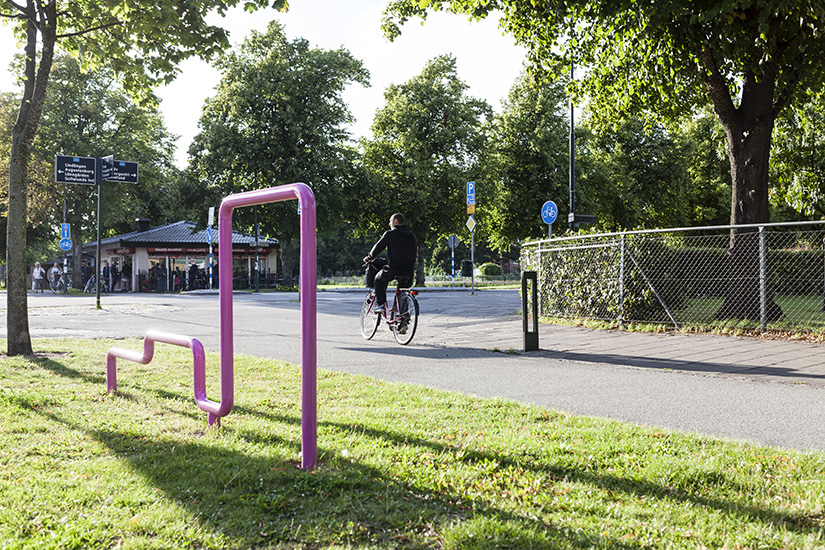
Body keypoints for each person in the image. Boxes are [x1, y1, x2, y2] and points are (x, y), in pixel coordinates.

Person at [363, 213, 417, 314]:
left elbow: (378, 246)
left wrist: (369, 257)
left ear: (396, 221)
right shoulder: (411, 235)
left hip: (394, 268)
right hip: (409, 271)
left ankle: (380, 305)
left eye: (390, 221)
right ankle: (403, 318)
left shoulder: (391, 234)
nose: (389, 223)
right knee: (403, 291)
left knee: (378, 279)